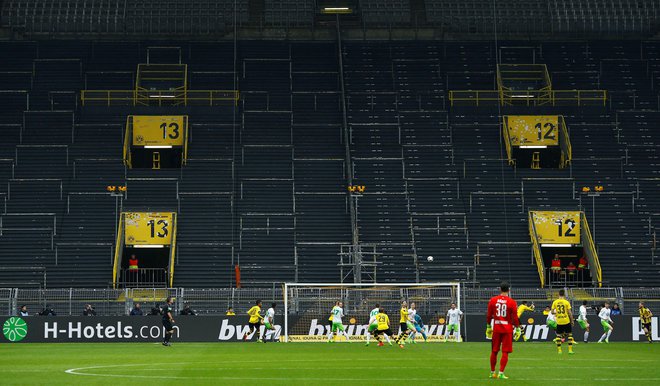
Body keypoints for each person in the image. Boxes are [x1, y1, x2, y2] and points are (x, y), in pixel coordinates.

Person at [486, 282, 520, 380]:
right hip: (507, 329)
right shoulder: (512, 302)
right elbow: (515, 318)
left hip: (496, 328)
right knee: (505, 351)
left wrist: (488, 326)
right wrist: (517, 328)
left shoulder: (493, 300)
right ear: (508, 290)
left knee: (494, 351)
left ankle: (492, 372)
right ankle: (501, 373)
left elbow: (489, 315)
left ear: (500, 289)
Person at [551, 289, 575, 354]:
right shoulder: (566, 302)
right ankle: (570, 350)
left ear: (558, 294)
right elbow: (570, 313)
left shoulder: (555, 302)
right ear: (564, 295)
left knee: (558, 336)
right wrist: (572, 321)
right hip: (566, 321)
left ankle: (559, 350)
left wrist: (557, 313)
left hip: (559, 321)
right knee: (569, 335)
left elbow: (552, 311)